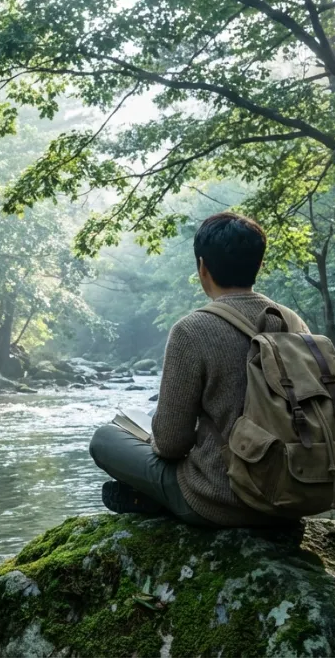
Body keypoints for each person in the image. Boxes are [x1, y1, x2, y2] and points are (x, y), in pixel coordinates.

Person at [88, 212, 308, 527]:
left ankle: (153, 499)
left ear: (202, 267)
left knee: (104, 439)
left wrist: (158, 437)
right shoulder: (294, 322)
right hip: (295, 492)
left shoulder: (192, 330)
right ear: (259, 264)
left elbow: (170, 445)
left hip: (223, 499)